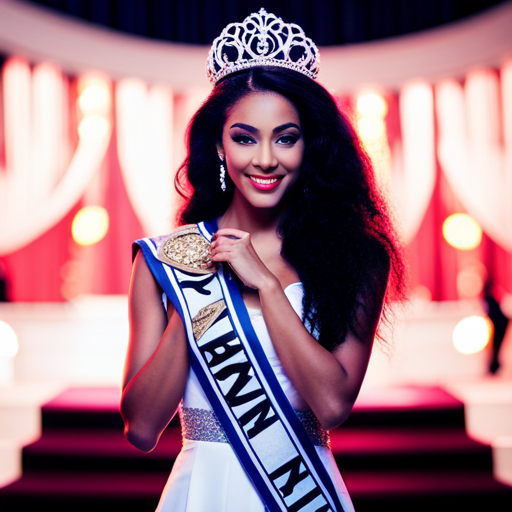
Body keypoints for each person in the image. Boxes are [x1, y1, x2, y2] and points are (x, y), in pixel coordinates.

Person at [120, 8, 405, 512]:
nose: (266, 159)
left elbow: (334, 405)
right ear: (219, 145)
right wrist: (200, 302)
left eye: (286, 138)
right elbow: (142, 429)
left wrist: (267, 288)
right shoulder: (165, 260)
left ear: (310, 147)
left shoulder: (358, 259)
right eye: (245, 137)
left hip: (303, 493)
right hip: (200, 492)